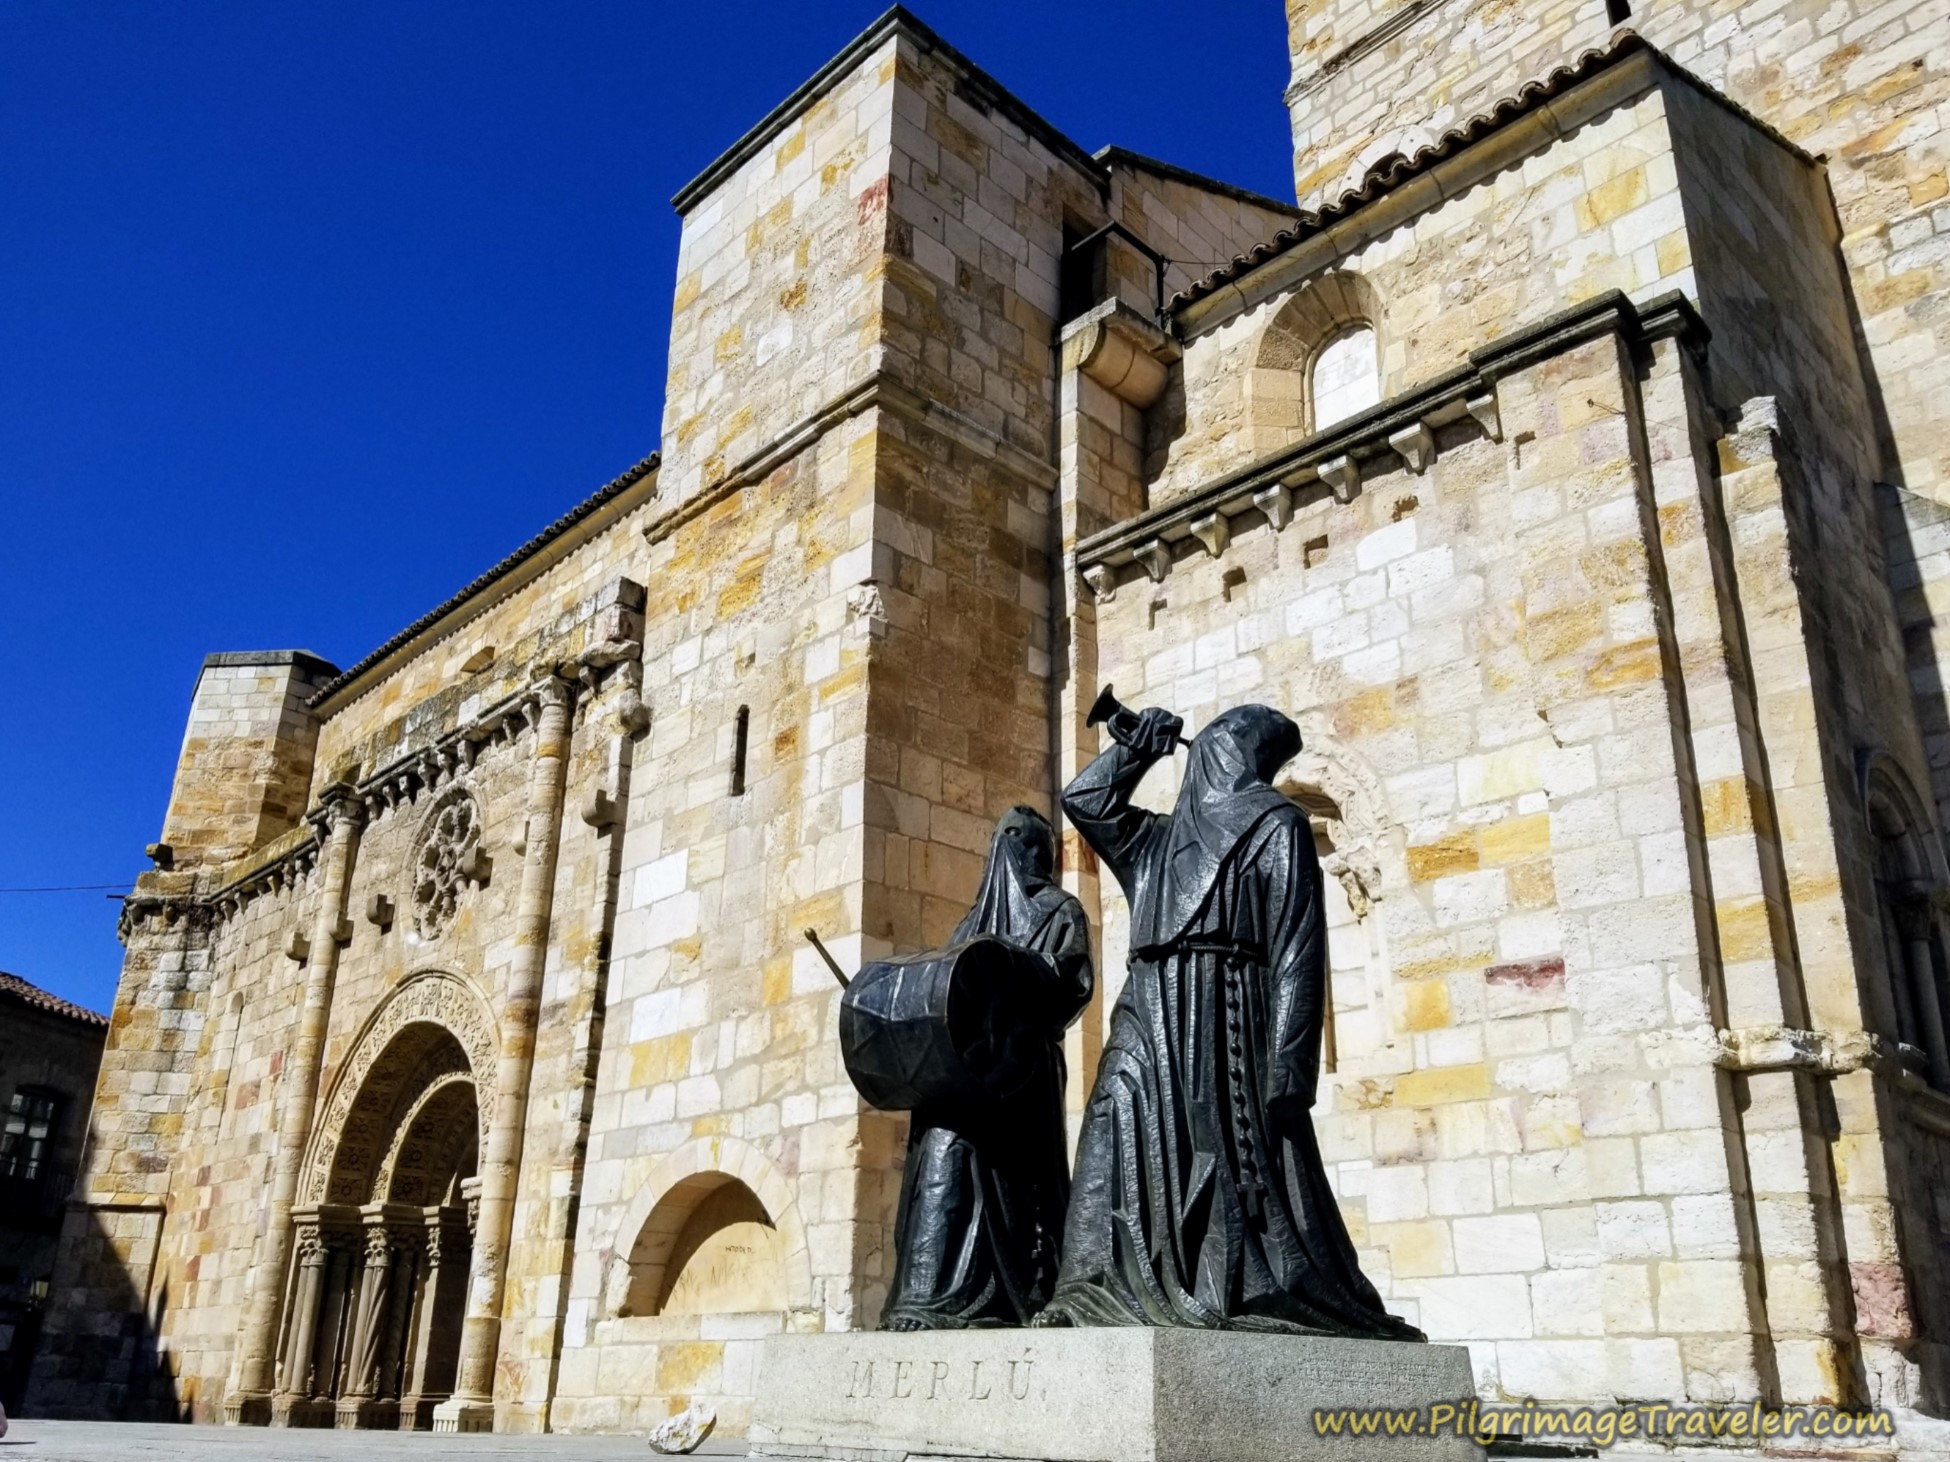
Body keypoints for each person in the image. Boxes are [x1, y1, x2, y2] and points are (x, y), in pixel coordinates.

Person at [1036, 703, 1421, 1339]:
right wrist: (1136, 751)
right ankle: (1090, 1284)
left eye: (1220, 741)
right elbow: (1086, 800)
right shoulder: (1155, 840)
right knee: (1110, 1121)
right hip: (1148, 1000)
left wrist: (1291, 1066)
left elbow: (1298, 950)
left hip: (1227, 1007)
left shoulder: (1277, 824)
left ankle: (1228, 1285)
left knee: (1219, 1155)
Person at [879, 806, 1093, 1330]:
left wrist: (1012, 971)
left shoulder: (1060, 910)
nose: (1022, 850)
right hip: (961, 1072)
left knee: (1018, 1182)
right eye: (1012, 839)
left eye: (1028, 841)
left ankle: (1014, 1296)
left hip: (1023, 1071)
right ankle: (928, 1298)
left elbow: (1071, 984)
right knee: (941, 1155)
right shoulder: (970, 923)